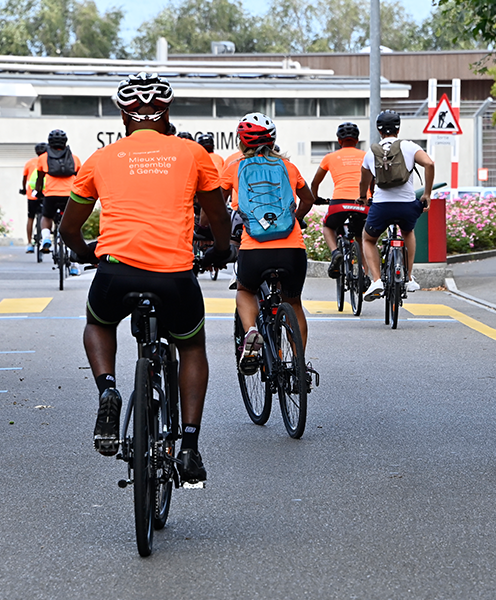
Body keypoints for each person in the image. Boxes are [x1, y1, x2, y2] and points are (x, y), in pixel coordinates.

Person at [59, 72, 233, 484]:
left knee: (98, 322)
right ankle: (189, 446)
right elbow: (216, 214)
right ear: (166, 112)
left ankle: (108, 390)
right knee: (191, 348)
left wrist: (88, 255)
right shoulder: (193, 154)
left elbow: (69, 228)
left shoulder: (101, 159)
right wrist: (221, 251)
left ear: (123, 115)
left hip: (115, 272)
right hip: (174, 275)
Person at [220, 112, 315, 374]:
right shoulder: (288, 166)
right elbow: (308, 199)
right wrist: (294, 219)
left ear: (242, 141)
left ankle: (251, 332)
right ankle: (298, 368)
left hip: (254, 248)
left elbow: (217, 207)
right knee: (293, 302)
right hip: (291, 248)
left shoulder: (234, 166)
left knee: (245, 290)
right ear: (273, 141)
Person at [359, 110, 435, 300]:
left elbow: (364, 182)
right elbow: (429, 164)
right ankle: (408, 278)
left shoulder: (371, 152)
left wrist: (363, 197)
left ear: (379, 130)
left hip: (381, 207)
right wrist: (427, 193)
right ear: (398, 129)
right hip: (407, 206)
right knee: (407, 231)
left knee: (368, 239)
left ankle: (376, 280)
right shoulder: (409, 147)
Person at [309, 122, 370, 279]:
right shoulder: (366, 156)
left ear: (339, 140)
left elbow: (315, 183)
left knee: (328, 226)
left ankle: (336, 252)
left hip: (339, 203)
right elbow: (374, 178)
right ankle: (365, 275)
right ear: (357, 140)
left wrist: (315, 198)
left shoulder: (329, 157)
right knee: (363, 238)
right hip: (362, 203)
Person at [35, 130, 81, 264]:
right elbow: (80, 178)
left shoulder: (43, 158)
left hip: (51, 195)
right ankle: (74, 265)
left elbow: (40, 178)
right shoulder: (74, 158)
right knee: (73, 226)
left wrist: (38, 192)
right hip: (69, 195)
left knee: (47, 216)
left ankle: (46, 238)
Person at [20, 142, 48, 253]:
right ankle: (50, 238)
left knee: (31, 217)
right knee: (49, 217)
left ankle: (29, 243)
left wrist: (23, 189)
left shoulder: (30, 163)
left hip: (32, 195)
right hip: (47, 193)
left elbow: (24, 178)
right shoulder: (48, 161)